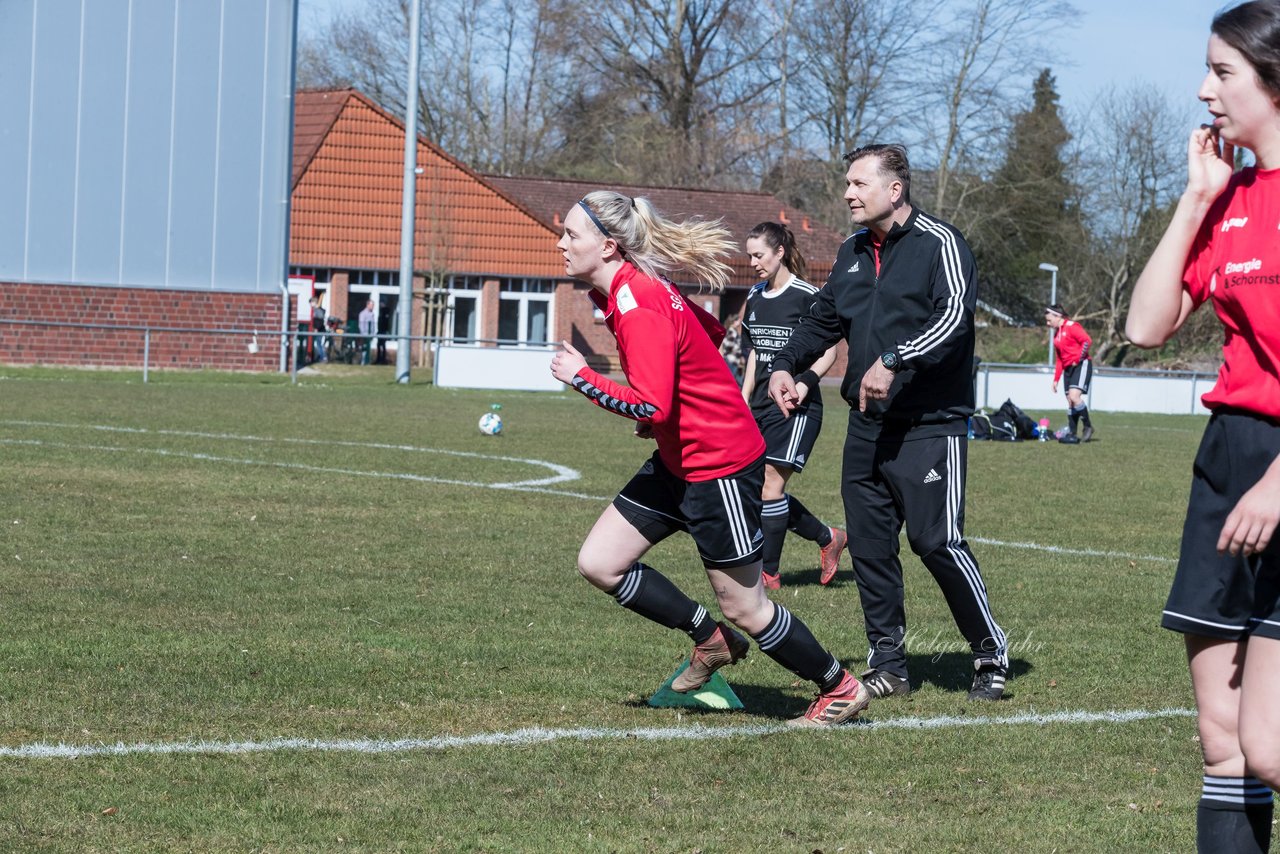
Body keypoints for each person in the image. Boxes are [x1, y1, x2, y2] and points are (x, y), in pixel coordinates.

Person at [549, 190, 872, 727]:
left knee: (747, 607)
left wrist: (581, 377)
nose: (561, 243)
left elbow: (654, 398)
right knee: (600, 563)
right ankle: (710, 640)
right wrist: (665, 413)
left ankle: (838, 686)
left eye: (572, 235)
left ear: (607, 248)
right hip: (680, 459)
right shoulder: (631, 293)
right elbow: (711, 332)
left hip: (718, 465)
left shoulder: (638, 301)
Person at [768, 144, 1008, 702]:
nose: (848, 194)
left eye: (858, 184)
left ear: (893, 190)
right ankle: (889, 664)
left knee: (937, 542)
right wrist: (785, 363)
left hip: (929, 425)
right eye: (847, 184)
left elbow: (954, 316)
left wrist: (895, 358)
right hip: (866, 428)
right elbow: (820, 319)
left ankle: (989, 652)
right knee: (872, 549)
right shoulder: (852, 252)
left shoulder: (940, 244)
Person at [1127, 3, 1280, 849]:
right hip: (1228, 468)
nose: (1204, 90)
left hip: (1278, 474)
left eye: (1224, 73)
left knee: (1270, 744)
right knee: (1224, 746)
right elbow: (1147, 326)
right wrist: (1194, 201)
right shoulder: (1230, 198)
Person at [740, 222, 847, 590]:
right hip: (758, 406)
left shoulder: (806, 295)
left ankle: (767, 574)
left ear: (780, 252)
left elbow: (830, 348)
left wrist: (804, 382)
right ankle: (828, 537)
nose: (753, 262)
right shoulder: (754, 296)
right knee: (757, 489)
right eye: (750, 255)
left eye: (759, 254)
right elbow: (755, 351)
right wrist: (743, 397)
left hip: (796, 407)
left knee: (770, 485)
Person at [1044, 303, 1093, 443]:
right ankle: (1072, 432)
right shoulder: (1057, 335)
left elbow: (1087, 341)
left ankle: (1088, 426)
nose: (1048, 323)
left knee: (1074, 396)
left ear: (1057, 316)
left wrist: (1078, 359)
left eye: (1049, 320)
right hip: (1068, 369)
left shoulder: (1072, 327)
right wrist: (1055, 379)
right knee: (1070, 402)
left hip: (1081, 364)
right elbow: (1060, 359)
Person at [309, 296, 328, 363]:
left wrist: (317, 328)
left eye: (311, 303)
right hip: (319, 330)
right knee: (318, 344)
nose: (310, 304)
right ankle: (321, 357)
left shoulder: (318, 311)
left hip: (320, 330)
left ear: (314, 302)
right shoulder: (316, 310)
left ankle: (323, 357)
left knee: (320, 344)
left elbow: (320, 321)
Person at [358, 299, 376, 365]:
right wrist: (363, 334)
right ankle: (363, 361)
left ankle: (368, 361)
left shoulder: (372, 314)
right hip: (364, 335)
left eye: (373, 305)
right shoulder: (363, 314)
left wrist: (373, 333)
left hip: (370, 335)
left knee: (368, 348)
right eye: (372, 305)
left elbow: (373, 325)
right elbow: (361, 325)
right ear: (368, 305)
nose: (373, 307)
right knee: (364, 348)